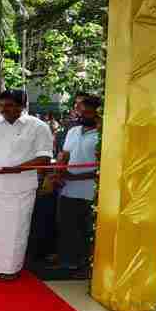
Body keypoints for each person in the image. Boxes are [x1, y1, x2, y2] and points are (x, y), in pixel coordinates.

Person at [0, 89, 53, 280]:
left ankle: (10, 269)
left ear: (22, 105)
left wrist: (15, 169)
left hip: (20, 186)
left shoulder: (38, 126)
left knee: (15, 230)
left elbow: (43, 157)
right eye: (2, 106)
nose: (5, 110)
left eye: (10, 106)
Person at [52, 95, 101, 276]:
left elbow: (105, 167)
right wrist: (59, 172)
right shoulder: (73, 131)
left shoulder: (105, 135)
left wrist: (75, 176)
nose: (83, 115)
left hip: (91, 192)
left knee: (87, 231)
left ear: (98, 113)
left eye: (87, 111)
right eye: (80, 111)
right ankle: (68, 262)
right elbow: (64, 155)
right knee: (67, 227)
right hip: (67, 190)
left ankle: (87, 266)